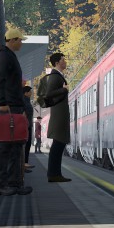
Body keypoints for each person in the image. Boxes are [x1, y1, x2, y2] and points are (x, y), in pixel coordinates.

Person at [0, 25, 31, 195]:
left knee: (15, 145)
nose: (21, 43)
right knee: (4, 146)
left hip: (14, 106)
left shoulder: (9, 55)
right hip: (8, 107)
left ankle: (14, 183)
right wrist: (2, 103)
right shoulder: (4, 56)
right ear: (13, 40)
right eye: (20, 40)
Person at [39, 52, 71, 183]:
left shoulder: (58, 76)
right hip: (59, 115)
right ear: (57, 62)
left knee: (59, 144)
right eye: (63, 60)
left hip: (60, 114)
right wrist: (64, 90)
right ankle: (53, 174)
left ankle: (55, 173)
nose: (65, 62)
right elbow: (48, 94)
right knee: (58, 144)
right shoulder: (55, 76)